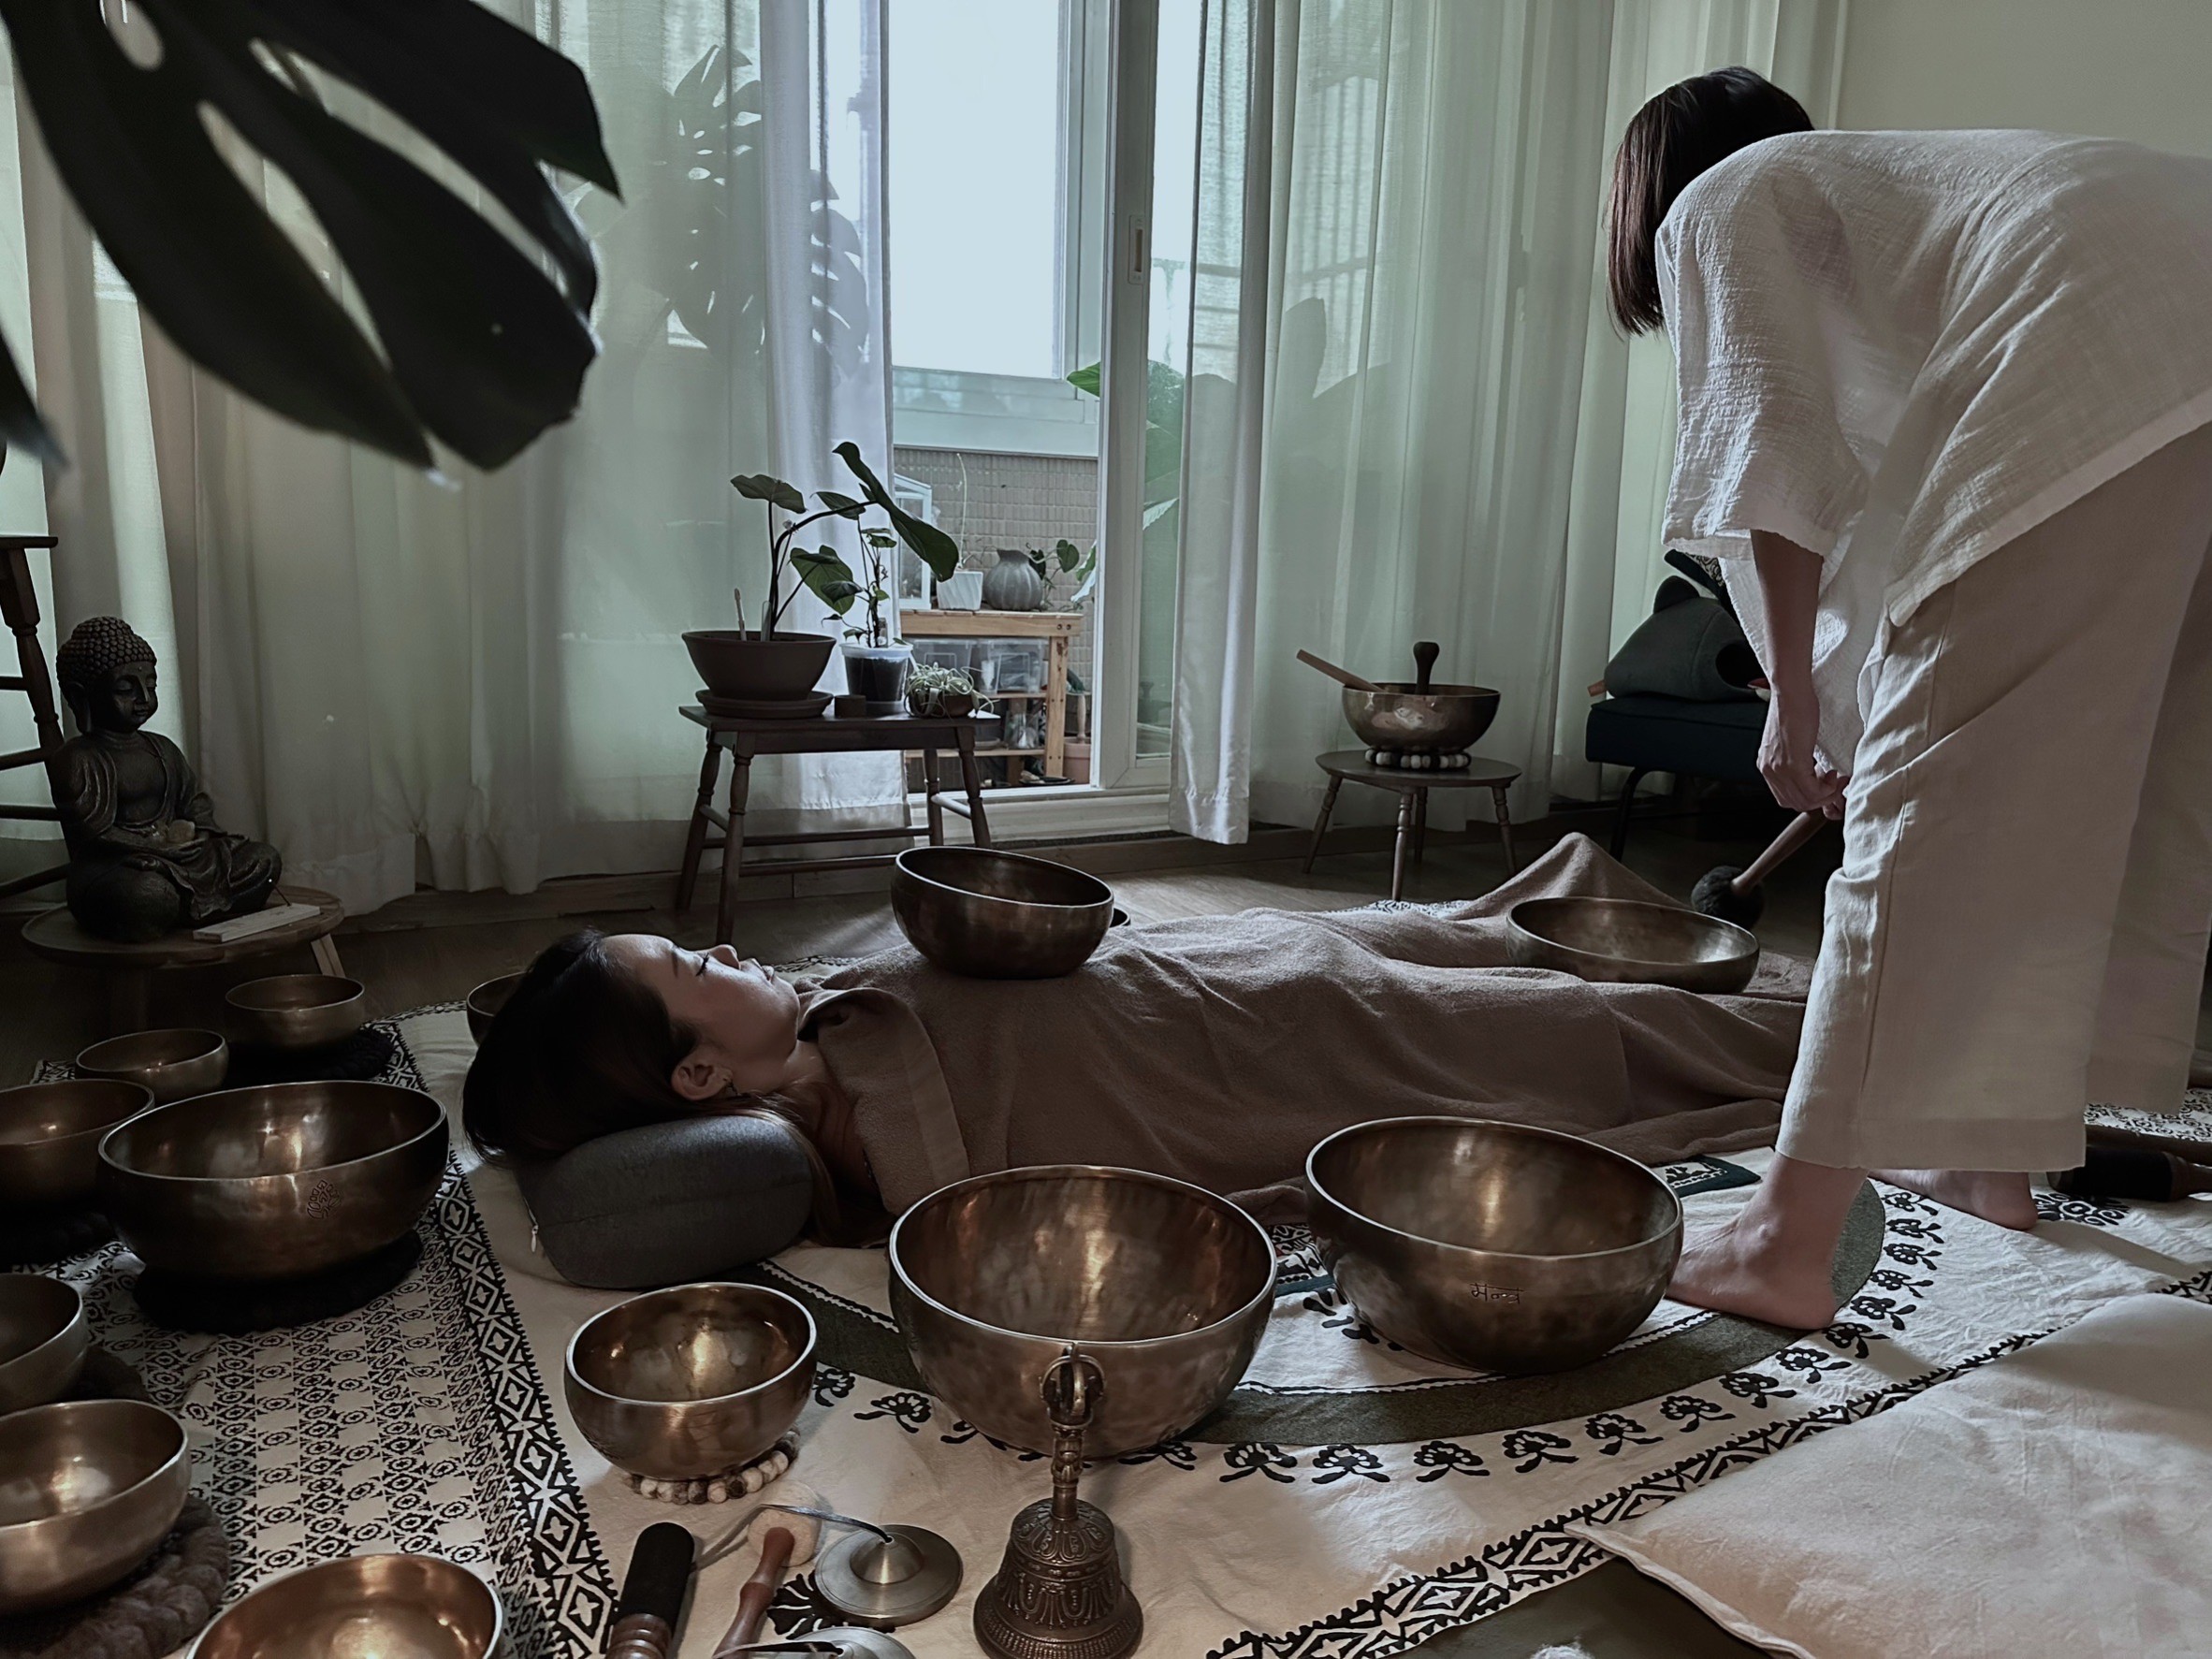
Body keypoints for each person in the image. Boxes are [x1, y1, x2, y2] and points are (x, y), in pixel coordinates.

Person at [1608, 69, 2212, 1325]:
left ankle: (1783, 1242)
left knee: (1922, 803)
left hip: (2101, 343)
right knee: (2082, 784)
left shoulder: (1720, 203)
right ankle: (1989, 1161)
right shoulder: (1891, 198)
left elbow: (1773, 463)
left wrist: (1792, 702)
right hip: (2174, 316)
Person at [464, 837, 1806, 1242]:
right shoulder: (854, 1132)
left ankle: (1545, 942)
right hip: (1288, 1042)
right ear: (700, 1073)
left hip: (1235, 961)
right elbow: (1002, 1163)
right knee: (1571, 1025)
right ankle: (1835, 1041)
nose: (725, 950)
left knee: (1450, 926)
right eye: (696, 967)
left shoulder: (813, 1013)